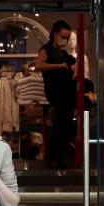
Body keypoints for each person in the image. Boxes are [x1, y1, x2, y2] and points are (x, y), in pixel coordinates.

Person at [34, 20, 76, 168]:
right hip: (55, 91)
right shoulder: (47, 49)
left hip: (66, 93)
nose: (65, 40)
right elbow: (38, 65)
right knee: (60, 124)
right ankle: (56, 159)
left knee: (66, 124)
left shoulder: (63, 52)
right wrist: (57, 66)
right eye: (64, 36)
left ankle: (61, 157)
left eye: (67, 37)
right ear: (55, 33)